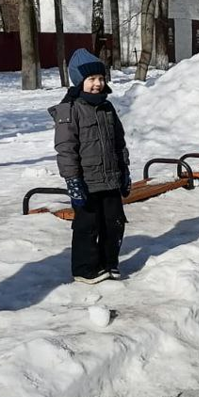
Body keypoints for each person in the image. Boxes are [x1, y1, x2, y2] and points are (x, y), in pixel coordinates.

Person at [50, 48, 131, 284]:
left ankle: (109, 263)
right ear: (79, 81)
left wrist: (124, 170)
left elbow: (119, 143)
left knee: (114, 224)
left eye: (100, 78)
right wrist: (73, 180)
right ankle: (84, 269)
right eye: (91, 79)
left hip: (111, 179)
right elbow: (65, 149)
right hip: (86, 182)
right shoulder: (70, 110)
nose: (97, 84)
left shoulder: (107, 108)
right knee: (87, 226)